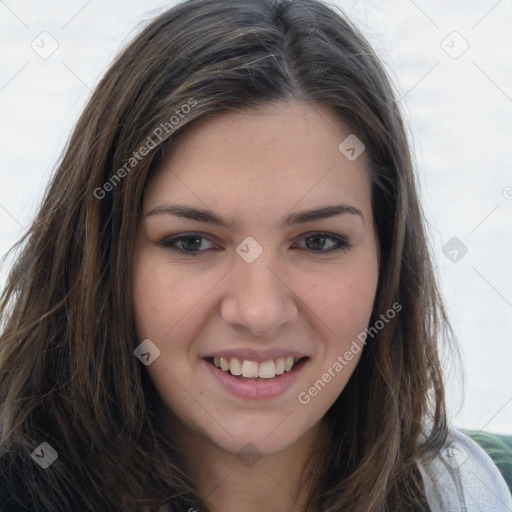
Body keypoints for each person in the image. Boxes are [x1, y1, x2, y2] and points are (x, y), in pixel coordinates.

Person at [0, 0, 510, 510]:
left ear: (389, 258)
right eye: (192, 242)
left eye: (318, 241)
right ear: (100, 261)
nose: (261, 311)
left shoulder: (481, 491)